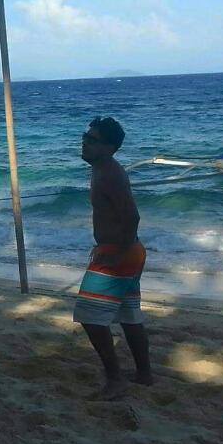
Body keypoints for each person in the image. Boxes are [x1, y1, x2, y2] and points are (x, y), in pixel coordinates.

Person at [74, 116, 151, 400]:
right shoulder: (100, 169)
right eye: (85, 136)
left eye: (92, 140)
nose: (84, 142)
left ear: (110, 147)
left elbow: (132, 216)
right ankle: (144, 373)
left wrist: (117, 252)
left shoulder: (110, 173)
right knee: (128, 314)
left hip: (121, 252)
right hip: (127, 251)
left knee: (90, 315)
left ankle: (116, 379)